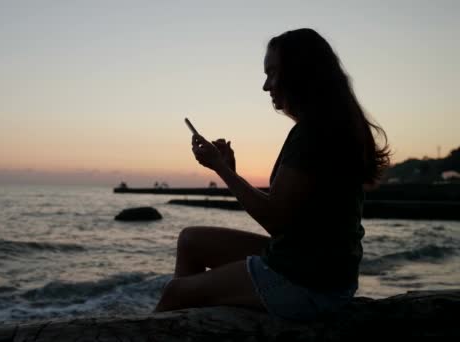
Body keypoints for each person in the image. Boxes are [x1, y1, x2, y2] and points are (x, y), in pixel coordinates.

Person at [153, 28, 390, 321]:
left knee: (175, 293)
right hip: (321, 268)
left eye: (273, 73)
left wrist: (223, 170)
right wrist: (231, 171)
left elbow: (277, 220)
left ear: (300, 74)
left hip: (308, 281)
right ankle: (191, 323)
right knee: (191, 241)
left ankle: (181, 322)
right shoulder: (329, 125)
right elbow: (291, 214)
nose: (266, 86)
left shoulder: (313, 133)